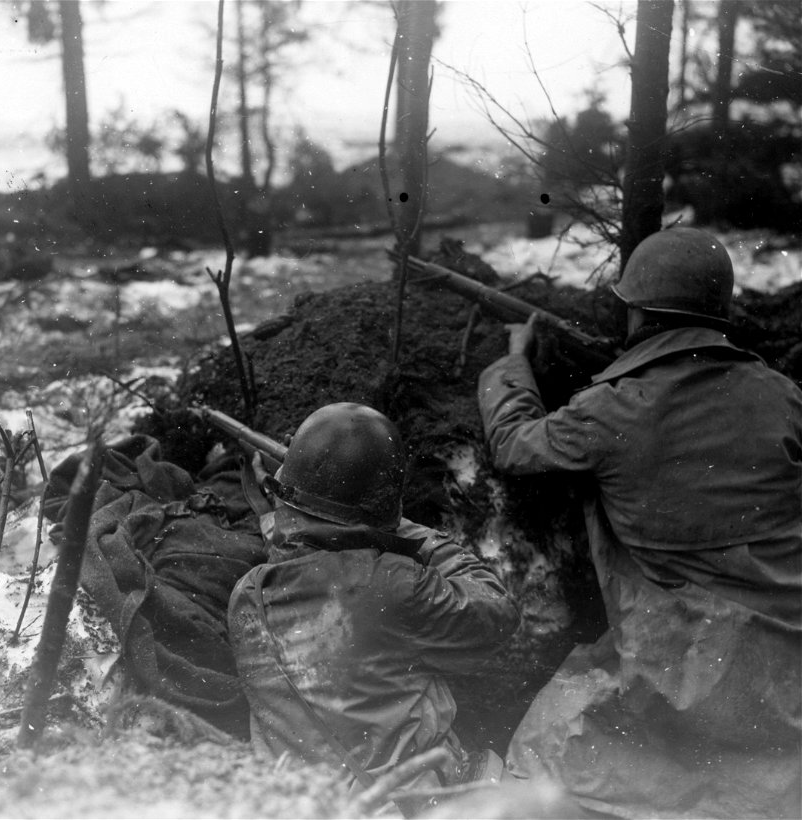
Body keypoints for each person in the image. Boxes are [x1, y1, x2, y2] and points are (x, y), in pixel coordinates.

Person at [477, 227, 802, 818]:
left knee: (543, 753)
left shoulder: (611, 409)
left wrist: (513, 362)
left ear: (637, 313)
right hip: (790, 679)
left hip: (678, 677)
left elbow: (512, 444)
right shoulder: (784, 396)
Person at [228, 402, 519, 796]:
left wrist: (279, 510)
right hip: (406, 800)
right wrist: (403, 527)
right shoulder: (393, 585)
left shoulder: (247, 594)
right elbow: (497, 607)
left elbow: (303, 562)